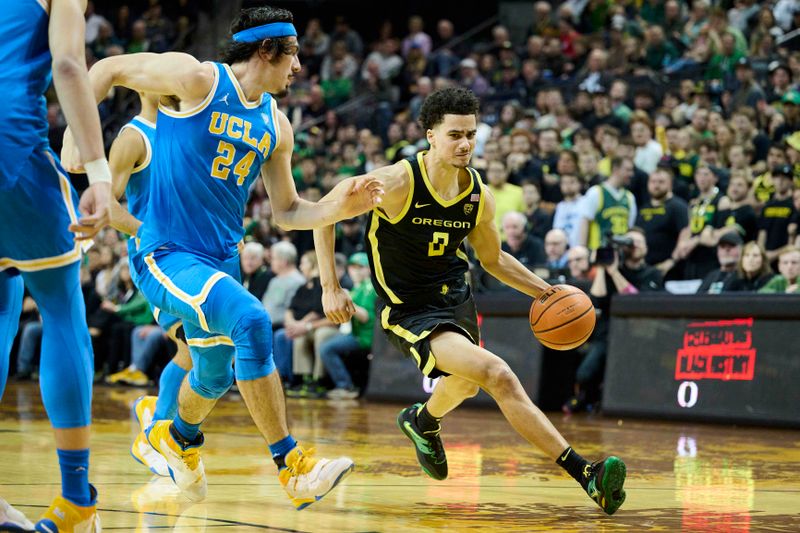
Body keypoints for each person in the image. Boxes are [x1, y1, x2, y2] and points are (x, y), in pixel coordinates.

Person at [70, 6, 383, 508]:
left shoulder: (277, 125)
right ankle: (291, 465)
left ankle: (177, 438)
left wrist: (336, 208)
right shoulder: (197, 80)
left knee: (213, 373)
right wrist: (84, 155)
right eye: (294, 54)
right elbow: (105, 69)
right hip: (166, 254)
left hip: (219, 261)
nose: (300, 67)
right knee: (253, 320)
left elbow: (287, 211)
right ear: (267, 50)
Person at [314, 87, 627, 515]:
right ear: (431, 135)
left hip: (456, 299)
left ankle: (422, 422)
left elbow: (494, 259)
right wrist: (331, 286)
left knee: (462, 381)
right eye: (455, 134)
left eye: (472, 135)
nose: (465, 144)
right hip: (409, 309)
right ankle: (586, 474)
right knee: (496, 373)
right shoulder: (395, 182)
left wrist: (545, 291)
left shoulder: (478, 194)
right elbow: (322, 212)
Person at [0, 0, 113, 530]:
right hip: (12, 147)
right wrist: (100, 175)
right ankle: (75, 498)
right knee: (61, 307)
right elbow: (68, 65)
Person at [564, 228, 663, 414]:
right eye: (629, 242)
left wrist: (615, 273)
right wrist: (603, 269)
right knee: (584, 373)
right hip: (608, 333)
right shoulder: (612, 270)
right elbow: (596, 299)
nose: (633, 246)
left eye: (638, 242)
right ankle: (587, 398)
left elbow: (636, 302)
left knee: (625, 377)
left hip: (638, 336)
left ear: (646, 248)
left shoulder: (652, 273)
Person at [319, 252, 377, 399]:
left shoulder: (370, 287)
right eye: (352, 267)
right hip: (356, 333)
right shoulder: (358, 287)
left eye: (360, 267)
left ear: (368, 269)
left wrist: (348, 300)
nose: (355, 271)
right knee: (326, 341)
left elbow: (365, 317)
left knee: (327, 348)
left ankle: (345, 386)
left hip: (365, 337)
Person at [636, 167, 689, 276]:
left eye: (661, 182)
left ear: (670, 184)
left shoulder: (678, 206)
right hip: (645, 267)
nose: (656, 185)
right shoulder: (643, 208)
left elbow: (685, 235)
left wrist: (672, 261)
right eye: (653, 182)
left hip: (670, 269)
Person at [578, 157, 637, 251]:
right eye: (628, 170)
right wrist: (582, 248)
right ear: (615, 169)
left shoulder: (630, 197)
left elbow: (630, 228)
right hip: (598, 252)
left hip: (621, 253)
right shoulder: (596, 192)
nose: (631, 174)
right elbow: (585, 222)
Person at [262, 241, 305, 331]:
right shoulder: (274, 280)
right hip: (265, 326)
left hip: (280, 327)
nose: (271, 262)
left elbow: (292, 311)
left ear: (283, 261)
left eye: (273, 258)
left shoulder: (298, 281)